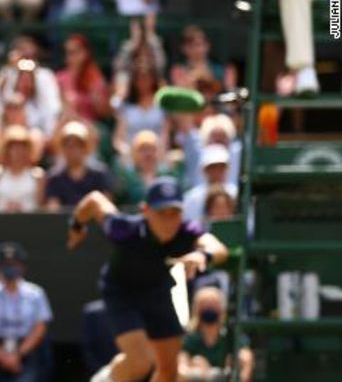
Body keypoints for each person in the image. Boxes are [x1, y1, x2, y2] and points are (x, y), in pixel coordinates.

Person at [68, 178, 229, 382]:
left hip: (158, 293)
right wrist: (76, 226)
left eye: (175, 213)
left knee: (169, 370)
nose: (169, 220)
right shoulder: (123, 228)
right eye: (162, 213)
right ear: (146, 211)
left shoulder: (186, 232)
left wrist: (202, 255)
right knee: (141, 362)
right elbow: (93, 200)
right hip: (121, 292)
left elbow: (219, 249)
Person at [0, 242, 53, 382]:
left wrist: (18, 355)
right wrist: (1, 356)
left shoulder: (35, 293)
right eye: (5, 264)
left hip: (26, 351)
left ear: (22, 266)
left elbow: (40, 328)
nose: (10, 267)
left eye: (14, 263)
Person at [179, 286, 253, 382]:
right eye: (205, 304)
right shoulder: (189, 338)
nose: (210, 308)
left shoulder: (229, 336)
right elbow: (181, 368)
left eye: (214, 304)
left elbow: (246, 358)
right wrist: (201, 373)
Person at [45, 121, 113, 209]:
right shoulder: (55, 177)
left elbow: (106, 207)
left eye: (77, 145)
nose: (72, 150)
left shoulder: (99, 174)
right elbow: (53, 208)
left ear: (86, 148)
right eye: (68, 146)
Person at [0, 125, 45, 213]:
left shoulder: (38, 175)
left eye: (22, 147)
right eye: (13, 147)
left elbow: (41, 208)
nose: (18, 151)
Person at [183, 145, 238, 224]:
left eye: (221, 167)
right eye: (213, 167)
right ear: (204, 170)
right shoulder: (191, 199)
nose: (217, 171)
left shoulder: (236, 194)